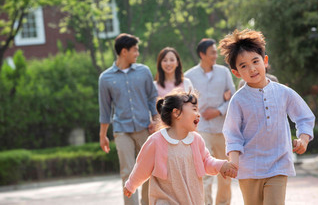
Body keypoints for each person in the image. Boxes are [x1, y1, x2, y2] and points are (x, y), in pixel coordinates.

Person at [218, 29, 315, 205]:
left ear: (265, 61)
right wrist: (233, 164)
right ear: (236, 73)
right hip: (249, 169)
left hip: (278, 165)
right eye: (244, 66)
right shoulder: (238, 100)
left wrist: (303, 140)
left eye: (255, 61)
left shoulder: (284, 92)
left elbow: (304, 117)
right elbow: (232, 135)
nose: (252, 68)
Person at [123, 90, 238, 205]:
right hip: (165, 200)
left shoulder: (196, 140)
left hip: (192, 200)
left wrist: (221, 166)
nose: (198, 114)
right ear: (177, 113)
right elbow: (142, 166)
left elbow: (206, 161)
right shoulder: (156, 141)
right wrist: (131, 185)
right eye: (194, 109)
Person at [98, 33, 158, 205]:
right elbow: (105, 109)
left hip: (144, 128)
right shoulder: (105, 78)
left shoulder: (144, 71)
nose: (137, 53)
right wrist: (103, 135)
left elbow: (152, 98)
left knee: (149, 170)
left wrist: (156, 120)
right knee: (127, 172)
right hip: (122, 130)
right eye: (135, 50)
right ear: (124, 52)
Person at [185, 38, 236, 205]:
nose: (216, 55)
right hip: (201, 129)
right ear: (202, 54)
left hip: (223, 128)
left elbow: (233, 99)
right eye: (212, 52)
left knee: (226, 172)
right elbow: (186, 103)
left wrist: (218, 111)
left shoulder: (224, 72)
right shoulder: (189, 76)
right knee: (204, 171)